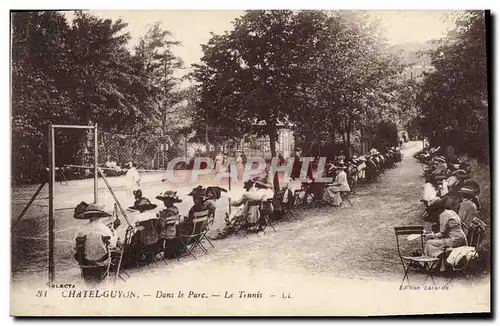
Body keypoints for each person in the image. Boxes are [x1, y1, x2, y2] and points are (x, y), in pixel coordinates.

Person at [73, 203, 120, 284]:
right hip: (102, 261)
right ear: (99, 216)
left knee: (89, 285)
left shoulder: (80, 230)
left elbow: (74, 247)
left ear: (88, 216)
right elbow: (112, 244)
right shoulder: (104, 228)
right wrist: (114, 233)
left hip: (85, 262)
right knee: (102, 285)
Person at [423, 202, 467, 271]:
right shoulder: (451, 212)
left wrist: (429, 235)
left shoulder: (443, 215)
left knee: (430, 242)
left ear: (437, 210)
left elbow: (442, 234)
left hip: (454, 240)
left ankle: (430, 266)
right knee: (437, 242)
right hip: (462, 237)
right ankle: (438, 265)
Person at [156, 190, 183, 258]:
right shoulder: (175, 209)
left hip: (166, 233)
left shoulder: (167, 212)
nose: (165, 202)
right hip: (173, 231)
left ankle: (158, 249)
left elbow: (161, 224)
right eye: (164, 200)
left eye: (166, 200)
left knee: (154, 229)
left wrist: (159, 216)